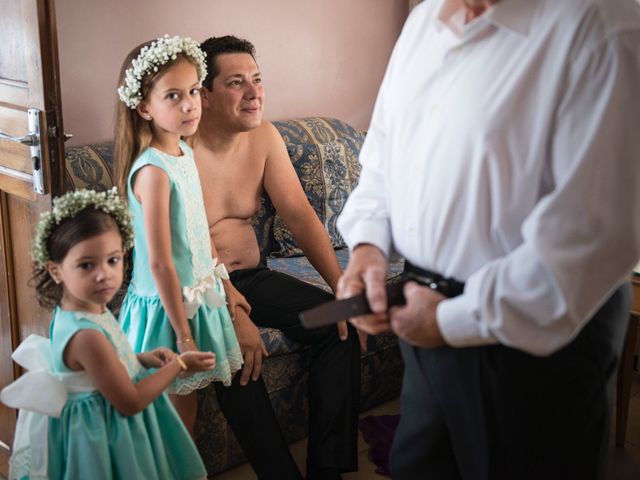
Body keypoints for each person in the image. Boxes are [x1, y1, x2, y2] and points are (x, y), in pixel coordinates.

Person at [336, 1, 640, 479]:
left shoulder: (603, 26)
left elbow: (593, 235)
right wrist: (368, 249)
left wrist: (450, 320)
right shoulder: (423, 22)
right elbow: (381, 161)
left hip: (531, 351)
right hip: (424, 327)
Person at [191, 35, 361, 480]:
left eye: (257, 79)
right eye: (236, 83)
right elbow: (189, 244)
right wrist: (233, 311)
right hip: (201, 288)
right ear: (204, 95)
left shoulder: (263, 136)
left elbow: (301, 215)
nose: (254, 93)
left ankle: (327, 471)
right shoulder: (178, 150)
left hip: (253, 277)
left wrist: (340, 287)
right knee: (234, 353)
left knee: (338, 324)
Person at [0, 188, 216, 480]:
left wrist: (141, 359)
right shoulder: (86, 334)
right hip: (103, 434)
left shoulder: (83, 309)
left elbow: (96, 368)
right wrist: (180, 365)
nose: (104, 274)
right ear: (56, 270)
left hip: (101, 418)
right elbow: (131, 402)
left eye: (113, 260)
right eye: (87, 265)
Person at [114, 35, 243, 437]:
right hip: (166, 312)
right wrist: (183, 336)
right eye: (173, 96)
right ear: (144, 107)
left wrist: (226, 286)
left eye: (192, 91)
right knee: (170, 424)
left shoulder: (185, 153)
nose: (190, 105)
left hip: (198, 297)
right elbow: (160, 261)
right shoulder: (153, 171)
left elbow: (199, 234)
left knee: (186, 418)